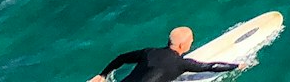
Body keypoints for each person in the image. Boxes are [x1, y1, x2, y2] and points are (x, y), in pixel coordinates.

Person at [87, 25, 239, 82]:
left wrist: (102, 74)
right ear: (182, 45)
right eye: (191, 41)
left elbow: (121, 58)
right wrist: (237, 66)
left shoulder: (148, 52)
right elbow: (211, 66)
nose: (192, 43)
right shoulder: (181, 63)